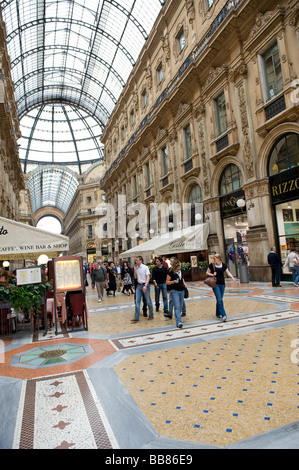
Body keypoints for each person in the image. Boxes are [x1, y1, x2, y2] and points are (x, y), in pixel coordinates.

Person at [206, 254, 236, 322]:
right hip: (215, 284)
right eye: (213, 258)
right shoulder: (212, 265)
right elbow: (207, 272)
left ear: (218, 259)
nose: (214, 260)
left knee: (219, 299)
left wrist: (232, 277)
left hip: (222, 284)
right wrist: (212, 274)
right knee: (219, 299)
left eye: (215, 258)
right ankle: (224, 315)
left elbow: (228, 272)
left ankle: (218, 312)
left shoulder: (223, 265)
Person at [166, 257, 187, 328]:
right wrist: (173, 281)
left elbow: (182, 278)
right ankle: (179, 322)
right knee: (177, 306)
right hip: (174, 291)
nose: (179, 267)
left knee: (180, 306)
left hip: (181, 290)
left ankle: (178, 319)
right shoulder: (170, 272)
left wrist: (184, 284)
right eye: (178, 266)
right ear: (175, 266)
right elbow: (167, 282)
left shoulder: (181, 271)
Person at [132, 255, 154, 322]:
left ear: (141, 261)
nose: (136, 261)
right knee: (137, 301)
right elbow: (135, 277)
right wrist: (135, 270)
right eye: (135, 260)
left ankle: (151, 315)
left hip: (145, 285)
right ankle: (136, 317)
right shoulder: (136, 268)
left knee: (148, 301)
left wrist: (145, 285)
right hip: (139, 286)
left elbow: (148, 277)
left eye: (137, 260)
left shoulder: (145, 267)